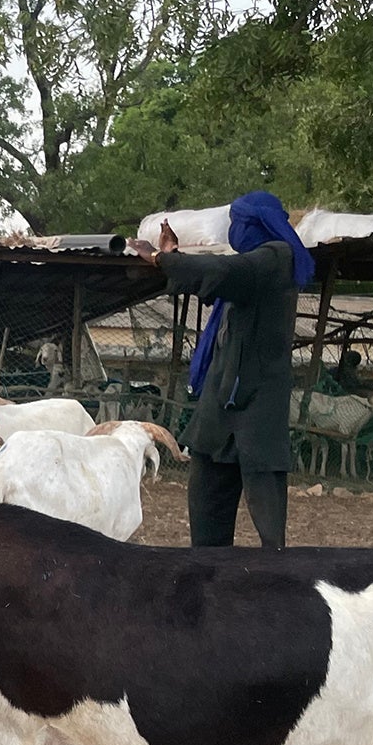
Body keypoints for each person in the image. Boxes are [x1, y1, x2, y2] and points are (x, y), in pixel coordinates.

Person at [129, 190, 311, 550]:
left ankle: (280, 583)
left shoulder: (277, 257)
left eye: (237, 224)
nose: (233, 230)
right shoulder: (255, 266)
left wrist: (162, 261)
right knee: (206, 506)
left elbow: (221, 271)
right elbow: (221, 279)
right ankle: (209, 574)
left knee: (269, 528)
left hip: (256, 408)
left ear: (254, 225)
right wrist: (174, 258)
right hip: (221, 408)